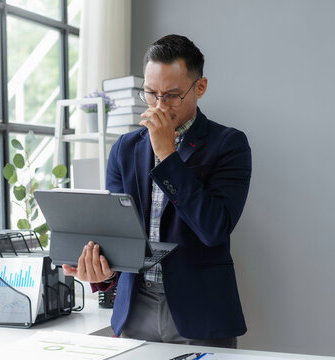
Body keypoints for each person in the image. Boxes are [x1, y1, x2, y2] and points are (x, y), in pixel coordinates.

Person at [63, 34, 252, 348]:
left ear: (200, 87)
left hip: (201, 313)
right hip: (135, 310)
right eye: (151, 93)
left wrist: (167, 155)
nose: (160, 106)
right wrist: (98, 269)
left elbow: (214, 229)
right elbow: (118, 233)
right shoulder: (124, 148)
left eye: (173, 95)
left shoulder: (229, 144)